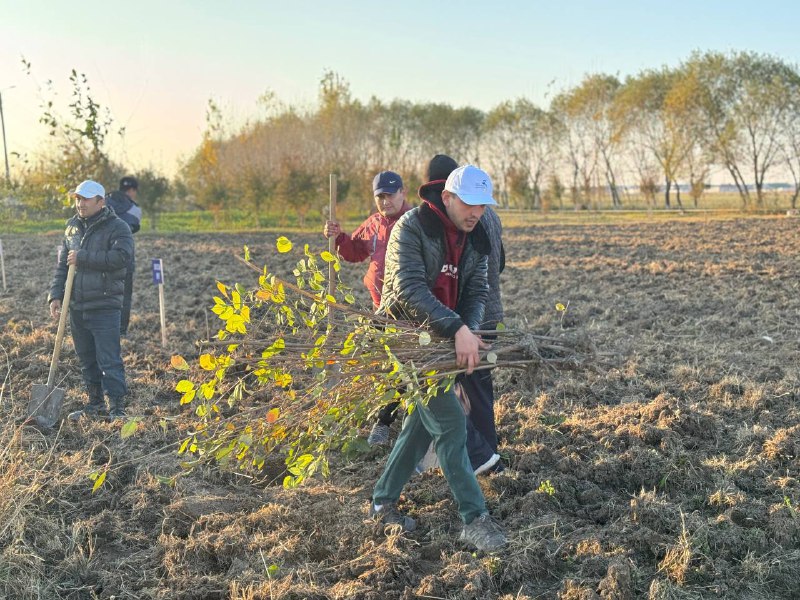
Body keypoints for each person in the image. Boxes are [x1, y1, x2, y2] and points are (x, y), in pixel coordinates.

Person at [369, 164, 508, 552]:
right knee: (450, 423)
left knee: (420, 422)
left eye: (483, 205)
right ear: (446, 197)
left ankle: (382, 502)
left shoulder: (476, 235)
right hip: (407, 336)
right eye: (469, 203)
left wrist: (471, 327)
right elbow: (408, 289)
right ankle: (474, 518)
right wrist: (456, 330)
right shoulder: (412, 227)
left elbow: (477, 290)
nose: (476, 212)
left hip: (444, 338)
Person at [323, 170, 411, 446]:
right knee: (386, 366)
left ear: (402, 193)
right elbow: (354, 252)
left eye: (390, 194)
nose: (385, 201)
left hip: (410, 309)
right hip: (379, 308)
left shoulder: (415, 221)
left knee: (403, 367)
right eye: (380, 196)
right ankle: (388, 417)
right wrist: (337, 238)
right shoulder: (374, 224)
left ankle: (386, 421)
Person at [48, 180, 134, 419]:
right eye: (78, 199)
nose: (80, 204)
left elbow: (121, 258)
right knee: (86, 359)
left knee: (109, 359)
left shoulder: (118, 228)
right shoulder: (72, 227)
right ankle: (95, 405)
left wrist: (84, 257)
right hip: (76, 305)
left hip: (105, 305)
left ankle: (117, 408)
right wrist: (55, 295)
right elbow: (62, 267)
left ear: (101, 201)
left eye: (86, 199)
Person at [105, 176, 142, 335]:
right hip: (125, 258)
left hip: (103, 257)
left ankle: (104, 327)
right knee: (124, 296)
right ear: (132, 190)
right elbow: (132, 228)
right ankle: (121, 330)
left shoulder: (103, 203)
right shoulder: (135, 210)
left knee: (103, 294)